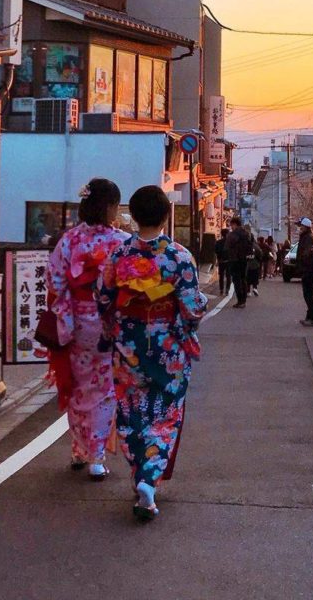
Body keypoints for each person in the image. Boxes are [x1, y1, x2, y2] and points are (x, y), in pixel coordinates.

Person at [98, 185, 207, 521]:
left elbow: (103, 298)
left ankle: (138, 475)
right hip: (168, 350)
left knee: (131, 414)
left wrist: (114, 327)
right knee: (165, 414)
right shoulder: (178, 256)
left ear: (133, 214)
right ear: (164, 216)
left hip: (129, 348)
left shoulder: (118, 256)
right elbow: (192, 308)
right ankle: (148, 479)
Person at [46, 178, 126, 480]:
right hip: (108, 324)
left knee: (78, 386)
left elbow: (55, 282)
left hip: (76, 325)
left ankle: (78, 450)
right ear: (109, 208)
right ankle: (96, 455)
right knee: (104, 389)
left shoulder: (69, 240)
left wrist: (65, 315)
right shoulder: (119, 242)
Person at [297, 218, 313, 326]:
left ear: (305, 227)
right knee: (309, 294)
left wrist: (302, 263)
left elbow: (307, 254)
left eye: (300, 226)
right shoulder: (308, 237)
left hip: (309, 270)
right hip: (310, 269)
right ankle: (310, 317)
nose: (299, 228)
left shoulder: (308, 238)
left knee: (308, 295)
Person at [225, 216, 251, 308]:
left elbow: (227, 246)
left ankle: (240, 300)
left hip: (234, 259)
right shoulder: (247, 234)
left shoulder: (233, 235)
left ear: (234, 224)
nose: (231, 227)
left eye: (231, 225)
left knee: (236, 280)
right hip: (244, 259)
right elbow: (250, 246)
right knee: (243, 279)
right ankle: (243, 300)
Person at [214, 228, 231, 295]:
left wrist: (219, 257)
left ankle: (221, 290)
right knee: (228, 276)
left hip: (221, 261)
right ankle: (227, 290)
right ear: (227, 234)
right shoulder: (230, 243)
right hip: (229, 261)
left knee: (221, 276)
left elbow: (216, 251)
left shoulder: (218, 242)